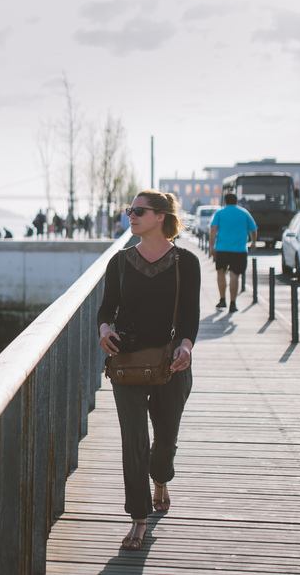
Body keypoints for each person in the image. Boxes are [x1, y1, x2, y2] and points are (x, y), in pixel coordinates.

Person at [97, 189, 200, 551]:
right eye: (130, 210)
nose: (131, 215)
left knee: (166, 437)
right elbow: (106, 309)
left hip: (171, 364)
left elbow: (190, 315)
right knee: (134, 440)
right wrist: (105, 330)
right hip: (126, 364)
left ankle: (161, 479)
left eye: (139, 210)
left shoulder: (186, 262)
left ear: (161, 217)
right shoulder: (120, 262)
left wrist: (186, 346)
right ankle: (138, 518)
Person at [209, 193, 256, 313]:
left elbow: (213, 230)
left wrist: (211, 247)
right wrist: (253, 242)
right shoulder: (244, 213)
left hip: (222, 249)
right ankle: (233, 303)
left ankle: (222, 299)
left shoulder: (220, 213)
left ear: (225, 201)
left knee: (220, 273)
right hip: (239, 250)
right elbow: (253, 229)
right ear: (236, 201)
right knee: (234, 276)